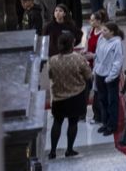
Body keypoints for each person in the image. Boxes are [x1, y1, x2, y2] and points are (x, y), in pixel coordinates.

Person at [48, 32, 91, 160]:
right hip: (76, 96)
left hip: (59, 96)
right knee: (73, 123)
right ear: (72, 44)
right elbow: (88, 75)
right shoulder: (78, 59)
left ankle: (52, 151)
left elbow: (50, 75)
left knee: (57, 122)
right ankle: (69, 149)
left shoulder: (53, 60)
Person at [94, 22, 124, 137]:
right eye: (102, 30)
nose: (102, 32)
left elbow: (117, 62)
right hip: (100, 74)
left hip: (110, 77)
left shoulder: (117, 43)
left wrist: (111, 76)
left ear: (112, 32)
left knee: (112, 102)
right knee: (102, 100)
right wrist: (96, 69)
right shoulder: (101, 38)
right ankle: (105, 122)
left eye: (105, 30)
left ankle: (112, 125)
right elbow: (97, 55)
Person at [83, 10, 108, 125]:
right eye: (90, 19)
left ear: (99, 21)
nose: (90, 22)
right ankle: (84, 113)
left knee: (98, 92)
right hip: (89, 64)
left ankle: (99, 116)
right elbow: (87, 43)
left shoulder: (103, 34)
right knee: (87, 89)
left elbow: (103, 52)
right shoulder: (91, 30)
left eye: (92, 20)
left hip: (98, 65)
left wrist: (93, 55)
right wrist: (85, 51)